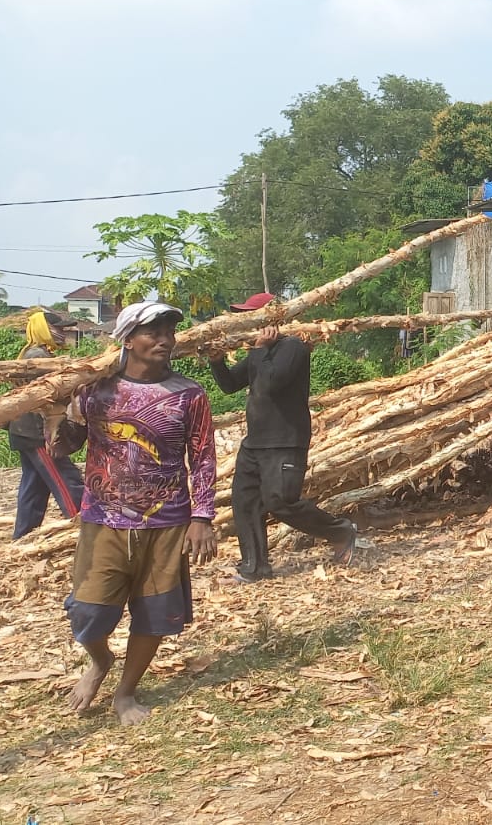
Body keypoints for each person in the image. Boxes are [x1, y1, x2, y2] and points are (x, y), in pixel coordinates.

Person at [57, 301, 217, 725]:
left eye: (169, 333)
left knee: (154, 613)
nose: (165, 340)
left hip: (167, 522)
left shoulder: (189, 394)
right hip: (104, 519)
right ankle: (100, 660)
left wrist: (202, 517)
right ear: (128, 340)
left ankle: (125, 693)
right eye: (153, 333)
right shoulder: (96, 390)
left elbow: (203, 457)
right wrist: (59, 409)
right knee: (87, 612)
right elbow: (63, 446)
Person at [205, 292, 359, 583]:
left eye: (252, 316)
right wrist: (217, 362)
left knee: (280, 502)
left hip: (285, 441)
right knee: (245, 503)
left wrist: (260, 349)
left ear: (272, 318)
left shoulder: (293, 346)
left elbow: (270, 384)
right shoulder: (261, 350)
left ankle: (341, 531)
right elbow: (230, 384)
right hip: (255, 443)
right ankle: (254, 567)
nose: (246, 323)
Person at [7, 311, 83, 538]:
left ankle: (22, 537)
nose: (63, 333)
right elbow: (47, 399)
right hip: (38, 433)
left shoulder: (34, 353)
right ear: (43, 329)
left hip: (24, 431)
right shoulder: (38, 357)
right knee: (67, 480)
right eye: (58, 329)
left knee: (34, 487)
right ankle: (83, 527)